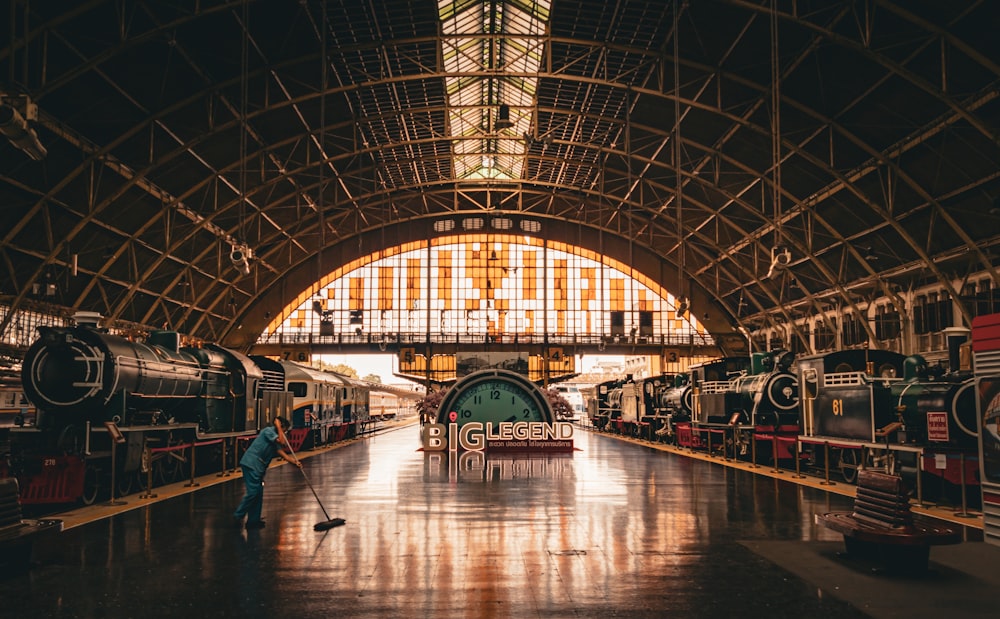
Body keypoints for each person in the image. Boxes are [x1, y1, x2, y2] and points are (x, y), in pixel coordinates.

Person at [233, 416, 301, 529]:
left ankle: (253, 521)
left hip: (258, 467)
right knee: (253, 492)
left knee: (258, 493)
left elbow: (281, 451)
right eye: (285, 430)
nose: (285, 433)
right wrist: (279, 427)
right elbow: (282, 441)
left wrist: (294, 462)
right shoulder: (268, 432)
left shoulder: (275, 436)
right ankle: (238, 515)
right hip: (251, 464)